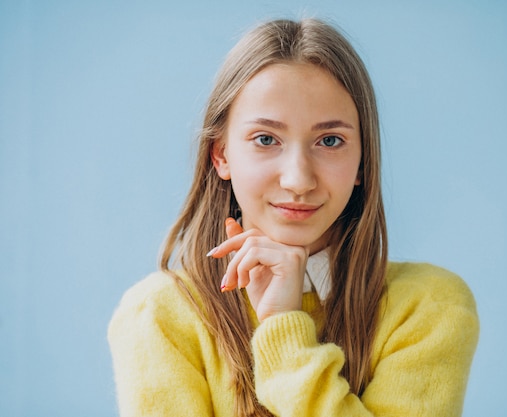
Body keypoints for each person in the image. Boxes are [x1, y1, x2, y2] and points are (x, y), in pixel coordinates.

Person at [108, 18, 479, 417]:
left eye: (330, 141)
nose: (299, 179)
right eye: (266, 139)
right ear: (221, 155)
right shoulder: (158, 315)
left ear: (362, 164)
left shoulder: (428, 306)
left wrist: (282, 327)